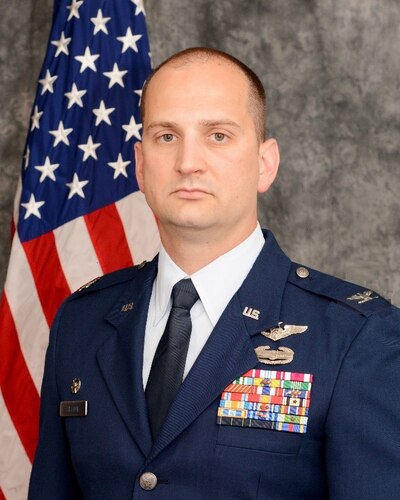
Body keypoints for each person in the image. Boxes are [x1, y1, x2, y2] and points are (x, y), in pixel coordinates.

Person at [29, 47, 400, 499]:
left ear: (266, 163)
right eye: (166, 136)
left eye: (218, 135)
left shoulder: (355, 337)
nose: (189, 162)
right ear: (140, 166)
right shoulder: (82, 323)